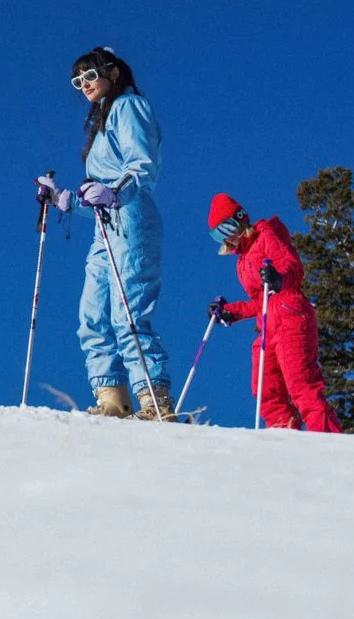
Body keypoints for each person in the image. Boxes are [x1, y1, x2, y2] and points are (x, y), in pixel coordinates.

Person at [36, 46, 173, 419]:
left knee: (127, 311)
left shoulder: (128, 107)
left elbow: (141, 165)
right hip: (105, 226)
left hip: (131, 218)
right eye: (77, 81)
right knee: (92, 314)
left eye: (90, 76)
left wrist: (117, 191)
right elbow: (99, 194)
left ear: (113, 73)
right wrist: (65, 199)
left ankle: (153, 398)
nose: (83, 85)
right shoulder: (101, 124)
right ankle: (111, 398)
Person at [206, 194, 342, 432]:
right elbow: (261, 302)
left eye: (227, 228)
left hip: (291, 315)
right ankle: (284, 441)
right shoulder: (242, 260)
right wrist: (231, 312)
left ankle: (328, 441)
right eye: (218, 234)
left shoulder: (267, 235)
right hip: (267, 325)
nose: (226, 236)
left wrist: (279, 279)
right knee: (266, 390)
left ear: (240, 220)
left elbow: (293, 269)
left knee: (301, 384)